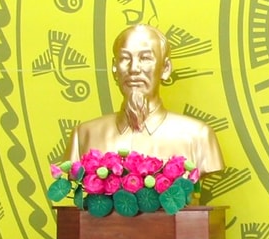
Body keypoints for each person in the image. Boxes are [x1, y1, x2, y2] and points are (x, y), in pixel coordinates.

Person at [69, 23, 224, 172]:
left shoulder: (198, 137)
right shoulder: (84, 135)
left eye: (145, 58)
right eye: (125, 58)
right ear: (114, 68)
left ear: (165, 68)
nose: (134, 69)